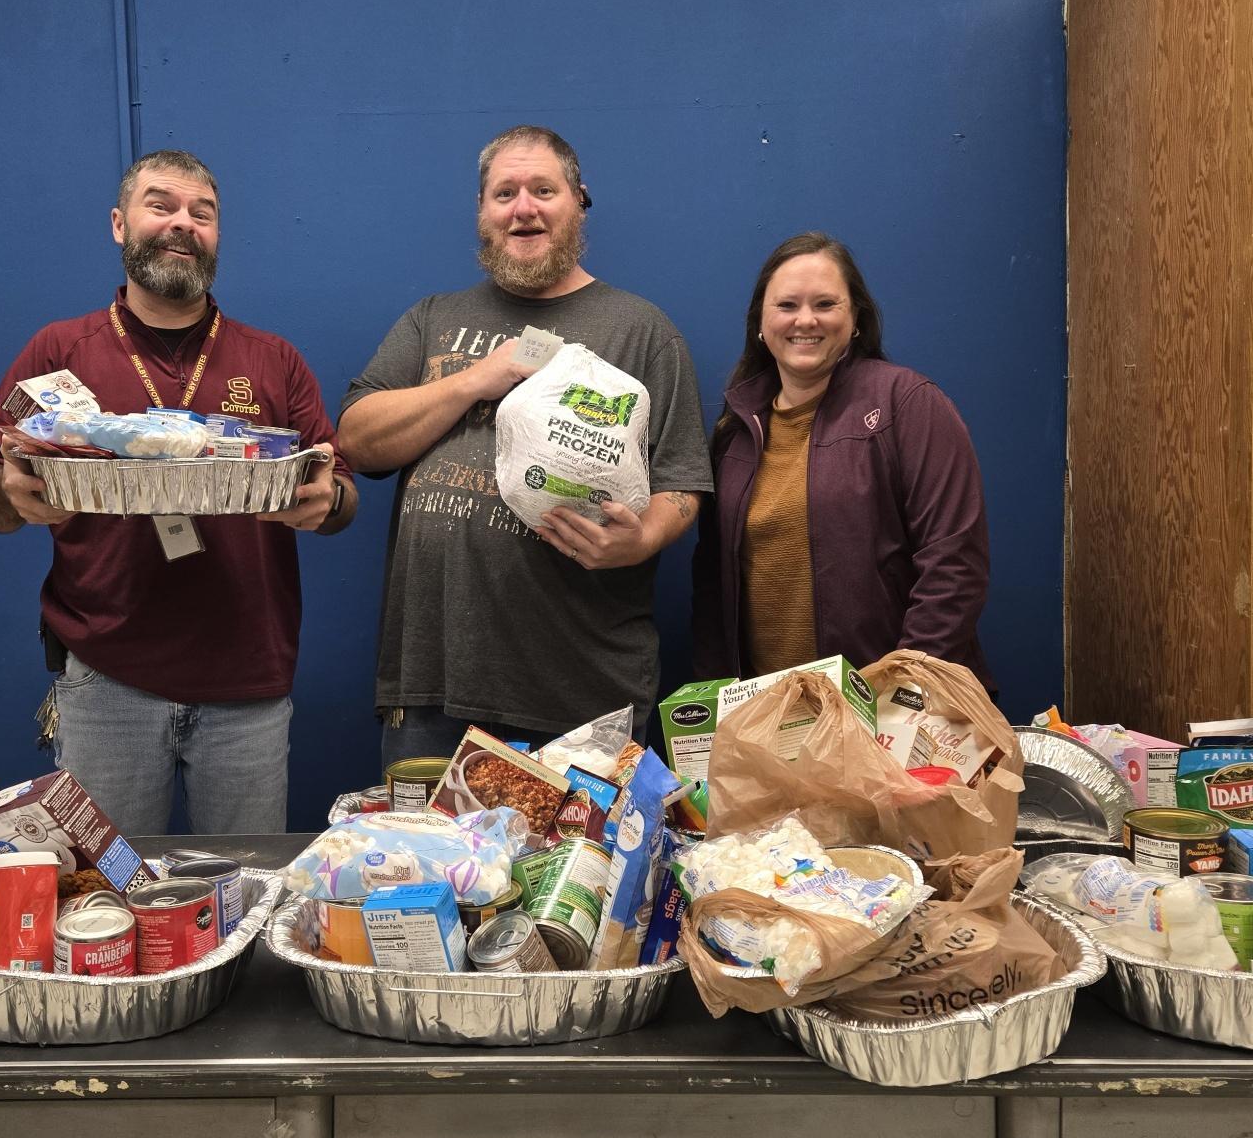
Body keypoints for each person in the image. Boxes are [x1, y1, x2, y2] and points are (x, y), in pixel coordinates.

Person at [0, 149, 358, 835]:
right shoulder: (59, 352)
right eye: (162, 205)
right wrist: (8, 491)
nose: (183, 224)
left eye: (201, 214)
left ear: (217, 236)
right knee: (108, 904)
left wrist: (329, 504)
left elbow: (340, 492)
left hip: (249, 682)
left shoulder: (274, 359)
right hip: (105, 681)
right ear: (120, 224)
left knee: (242, 899)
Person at [339, 126, 712, 767]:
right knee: (435, 870)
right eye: (503, 192)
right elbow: (358, 438)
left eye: (544, 189)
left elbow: (682, 483)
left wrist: (643, 539)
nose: (524, 207)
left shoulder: (643, 330)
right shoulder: (432, 318)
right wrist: (478, 378)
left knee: (581, 873)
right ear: (483, 212)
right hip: (433, 691)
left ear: (578, 202)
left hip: (582, 696)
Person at [691, 231, 993, 689]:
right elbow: (713, 586)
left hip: (891, 712)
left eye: (826, 304)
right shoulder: (735, 433)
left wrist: (901, 695)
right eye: (787, 305)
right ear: (760, 322)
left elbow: (955, 563)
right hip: (771, 715)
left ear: (855, 319)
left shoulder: (906, 402)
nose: (805, 320)